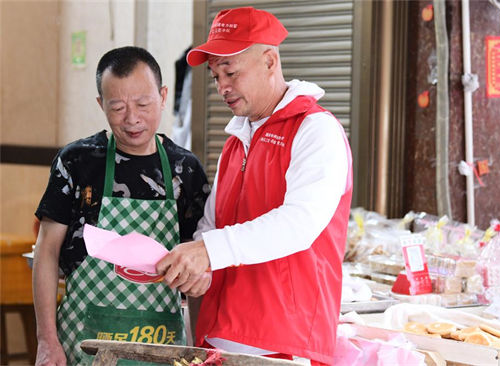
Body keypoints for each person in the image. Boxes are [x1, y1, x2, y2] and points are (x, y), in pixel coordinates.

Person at [156, 7, 353, 366]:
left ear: (269, 60)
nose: (222, 87)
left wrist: (209, 251)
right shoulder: (235, 141)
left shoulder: (315, 130)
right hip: (221, 332)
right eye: (216, 76)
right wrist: (202, 266)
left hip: (282, 341)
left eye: (230, 72)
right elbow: (211, 224)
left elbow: (299, 223)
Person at [33, 46, 210, 366]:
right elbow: (47, 251)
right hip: (84, 343)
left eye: (143, 104)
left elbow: (199, 267)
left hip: (162, 345)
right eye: (117, 107)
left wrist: (199, 349)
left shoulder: (186, 169)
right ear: (101, 104)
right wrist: (46, 340)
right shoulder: (78, 161)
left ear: (163, 95)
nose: (132, 118)